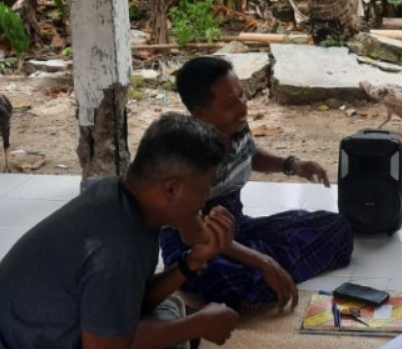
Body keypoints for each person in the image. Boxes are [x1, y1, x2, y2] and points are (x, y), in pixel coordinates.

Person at [0, 112, 240, 349]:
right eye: (205, 187)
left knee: (169, 314)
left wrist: (192, 262)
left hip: (38, 326)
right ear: (171, 190)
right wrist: (197, 325)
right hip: (21, 339)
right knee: (174, 324)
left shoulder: (120, 197)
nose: (208, 196)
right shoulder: (118, 246)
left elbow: (129, 302)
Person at [160, 56, 354, 311]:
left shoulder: (236, 127)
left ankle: (263, 276)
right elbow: (197, 233)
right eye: (231, 102)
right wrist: (264, 261)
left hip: (237, 227)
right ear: (201, 114)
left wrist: (293, 165)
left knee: (338, 228)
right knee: (226, 279)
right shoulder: (189, 156)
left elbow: (250, 154)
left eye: (242, 96)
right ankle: (263, 275)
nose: (242, 107)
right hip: (195, 244)